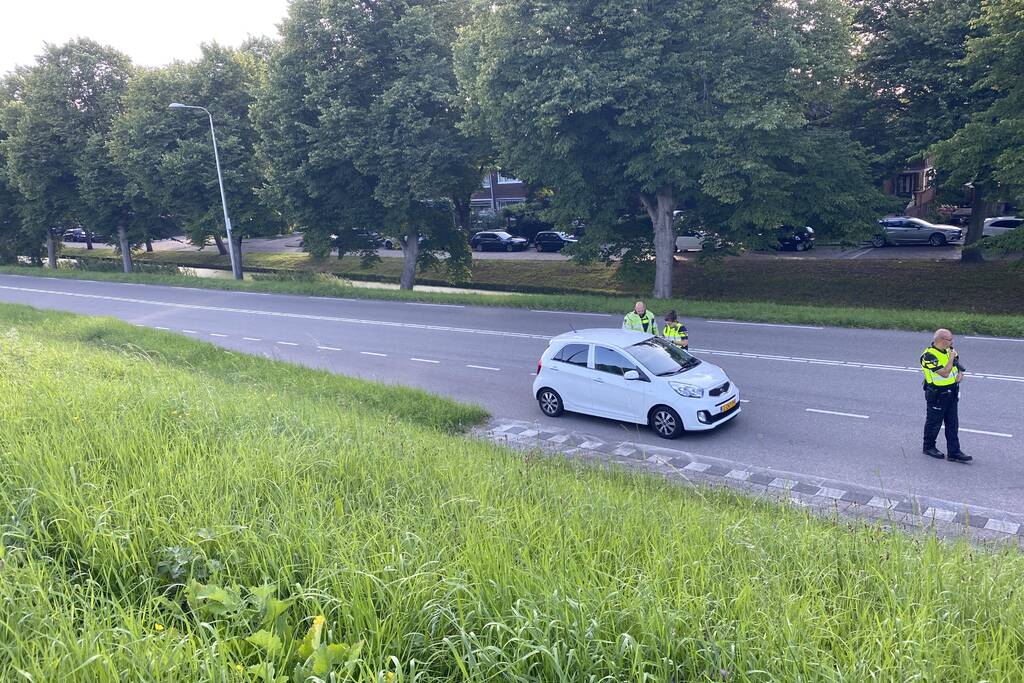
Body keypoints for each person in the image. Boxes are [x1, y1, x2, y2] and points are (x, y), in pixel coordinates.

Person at [921, 328, 970, 463]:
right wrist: (950, 358)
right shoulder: (928, 356)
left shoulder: (951, 350)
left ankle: (954, 452)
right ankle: (929, 447)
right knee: (934, 423)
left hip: (952, 392)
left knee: (953, 424)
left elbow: (957, 366)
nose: (952, 341)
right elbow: (945, 373)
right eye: (950, 339)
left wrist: (960, 374)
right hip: (937, 394)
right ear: (942, 340)